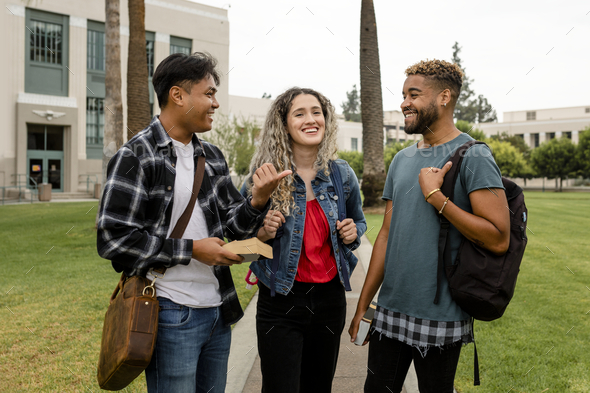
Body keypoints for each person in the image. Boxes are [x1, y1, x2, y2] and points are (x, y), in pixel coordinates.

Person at [96, 52, 290, 393]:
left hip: (217, 309)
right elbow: (114, 240)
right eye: (209, 93)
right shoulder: (136, 156)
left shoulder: (211, 156)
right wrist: (193, 250)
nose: (215, 103)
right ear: (178, 95)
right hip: (169, 310)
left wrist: (258, 199)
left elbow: (234, 226)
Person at [349, 59, 510, 393]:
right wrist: (364, 304)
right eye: (404, 94)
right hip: (390, 311)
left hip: (441, 316)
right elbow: (386, 236)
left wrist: (437, 198)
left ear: (444, 97)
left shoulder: (474, 156)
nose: (404, 102)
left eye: (414, 94)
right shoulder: (401, 160)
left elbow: (498, 238)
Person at [241, 87, 367, 393]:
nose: (311, 119)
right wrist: (263, 233)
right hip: (280, 301)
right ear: (284, 124)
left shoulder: (342, 175)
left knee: (318, 387)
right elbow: (240, 245)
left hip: (329, 301)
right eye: (299, 113)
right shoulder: (264, 178)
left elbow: (359, 222)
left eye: (317, 112)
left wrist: (353, 233)